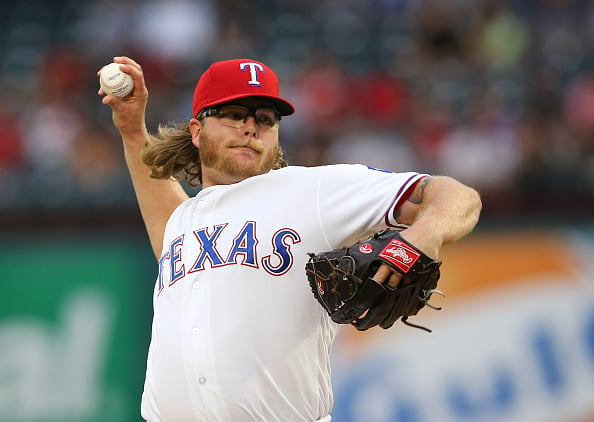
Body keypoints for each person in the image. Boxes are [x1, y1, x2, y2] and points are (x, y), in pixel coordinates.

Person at [99, 56, 482, 422]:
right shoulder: (184, 220)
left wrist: (423, 236)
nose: (251, 128)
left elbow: (458, 196)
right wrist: (133, 131)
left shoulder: (312, 190)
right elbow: (166, 225)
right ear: (197, 131)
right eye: (234, 114)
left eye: (265, 119)